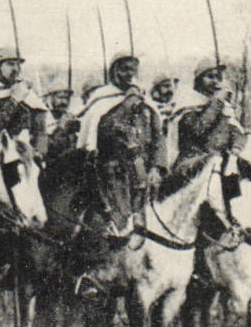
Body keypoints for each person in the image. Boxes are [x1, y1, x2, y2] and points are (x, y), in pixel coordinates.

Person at [75, 52, 165, 238]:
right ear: (114, 71)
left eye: (133, 69)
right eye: (124, 69)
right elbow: (107, 132)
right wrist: (127, 105)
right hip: (113, 173)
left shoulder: (144, 102)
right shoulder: (102, 99)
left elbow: (158, 136)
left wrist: (157, 166)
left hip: (145, 172)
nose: (129, 74)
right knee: (120, 225)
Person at [164, 58, 241, 177]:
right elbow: (197, 129)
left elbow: (234, 130)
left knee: (235, 175)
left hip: (218, 160)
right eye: (210, 77)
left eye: (217, 77)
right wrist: (217, 102)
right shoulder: (188, 101)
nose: (215, 81)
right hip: (191, 162)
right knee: (214, 165)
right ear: (199, 80)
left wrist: (236, 146)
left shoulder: (222, 106)